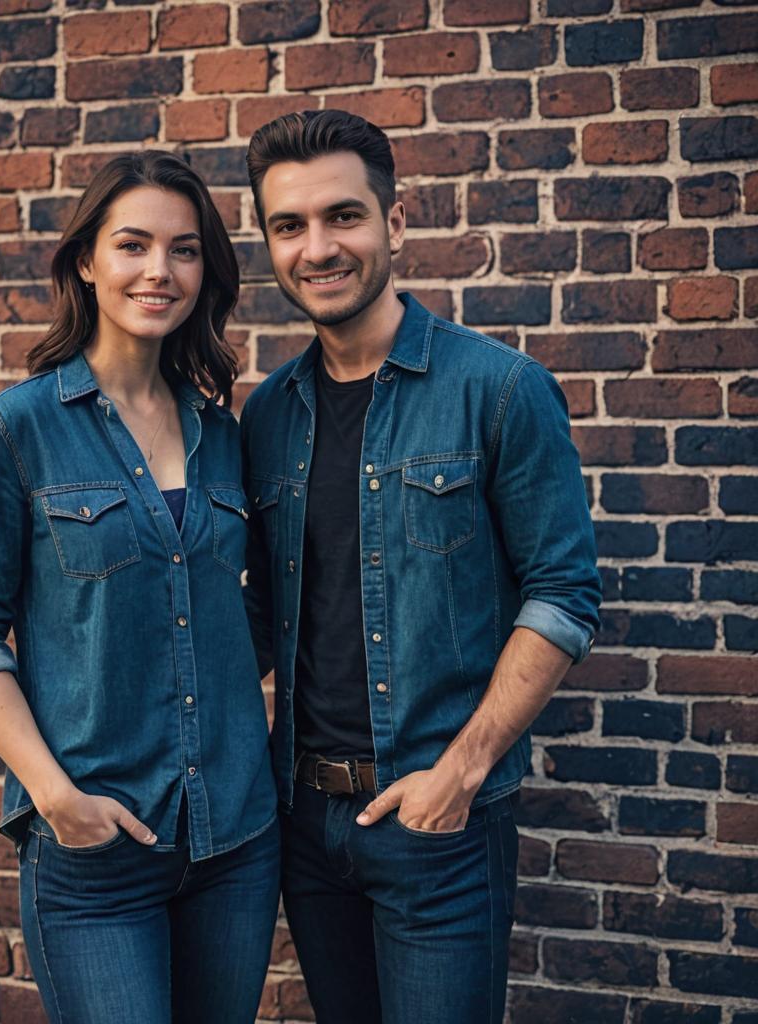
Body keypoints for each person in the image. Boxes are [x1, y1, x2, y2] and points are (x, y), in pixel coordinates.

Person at [240, 110, 602, 1024]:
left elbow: (564, 595)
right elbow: (257, 620)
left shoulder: (500, 390)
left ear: (395, 225)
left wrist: (461, 772)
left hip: (438, 823)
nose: (317, 248)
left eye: (343, 217)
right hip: (304, 824)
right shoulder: (267, 418)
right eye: (290, 226)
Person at [0, 150, 279, 1024]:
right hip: (92, 845)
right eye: (133, 245)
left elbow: (249, 607)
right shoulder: (14, 431)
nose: (159, 271)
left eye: (185, 249)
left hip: (233, 838)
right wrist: (53, 795)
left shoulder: (220, 431)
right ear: (87, 261)